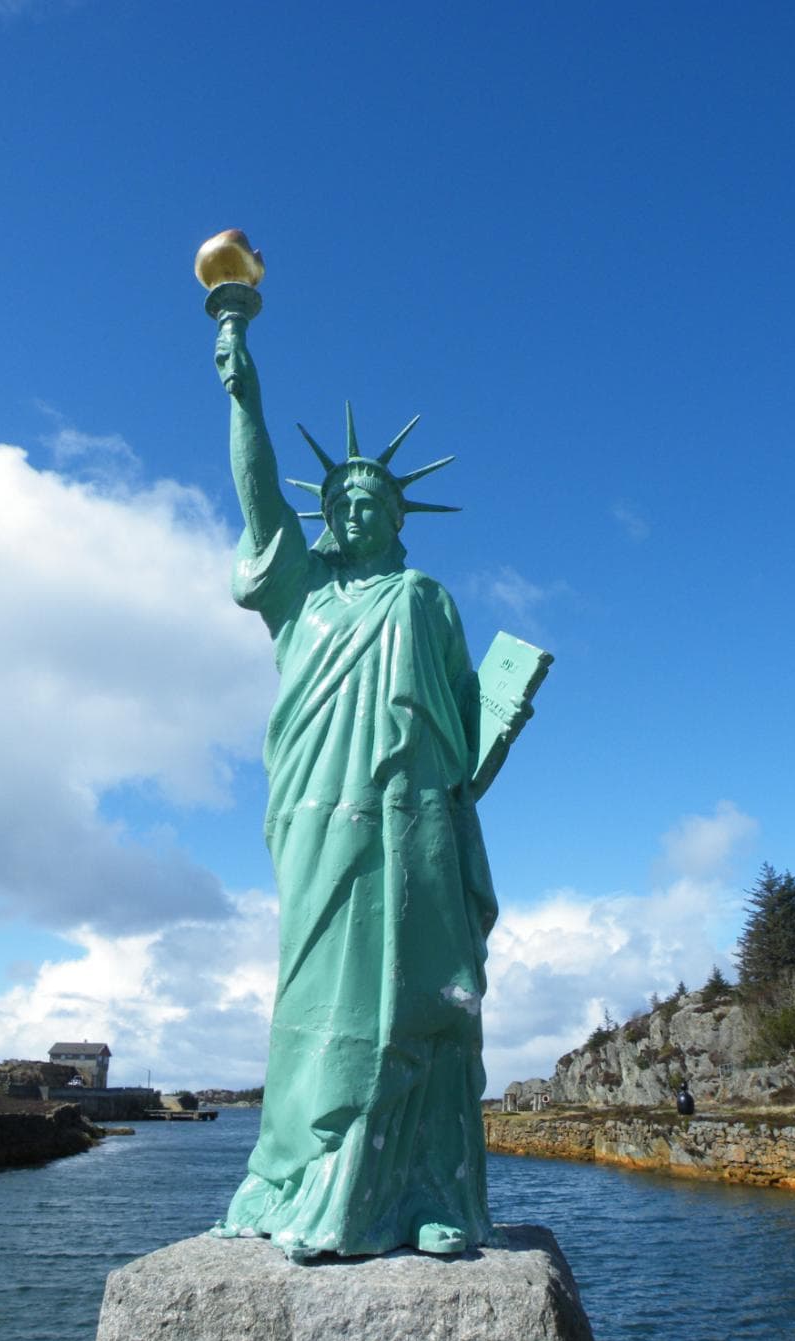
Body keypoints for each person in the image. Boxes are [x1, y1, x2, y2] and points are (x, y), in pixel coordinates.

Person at [210, 310, 499, 1260]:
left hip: (412, 819)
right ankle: (297, 1172)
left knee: (417, 988)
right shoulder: (300, 596)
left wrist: (503, 720)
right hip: (316, 815)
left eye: (374, 502)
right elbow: (261, 501)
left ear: (398, 520)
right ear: (326, 514)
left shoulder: (424, 598)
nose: (357, 511)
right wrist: (245, 397)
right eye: (343, 500)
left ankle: (423, 1187)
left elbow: (465, 721)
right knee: (316, 990)